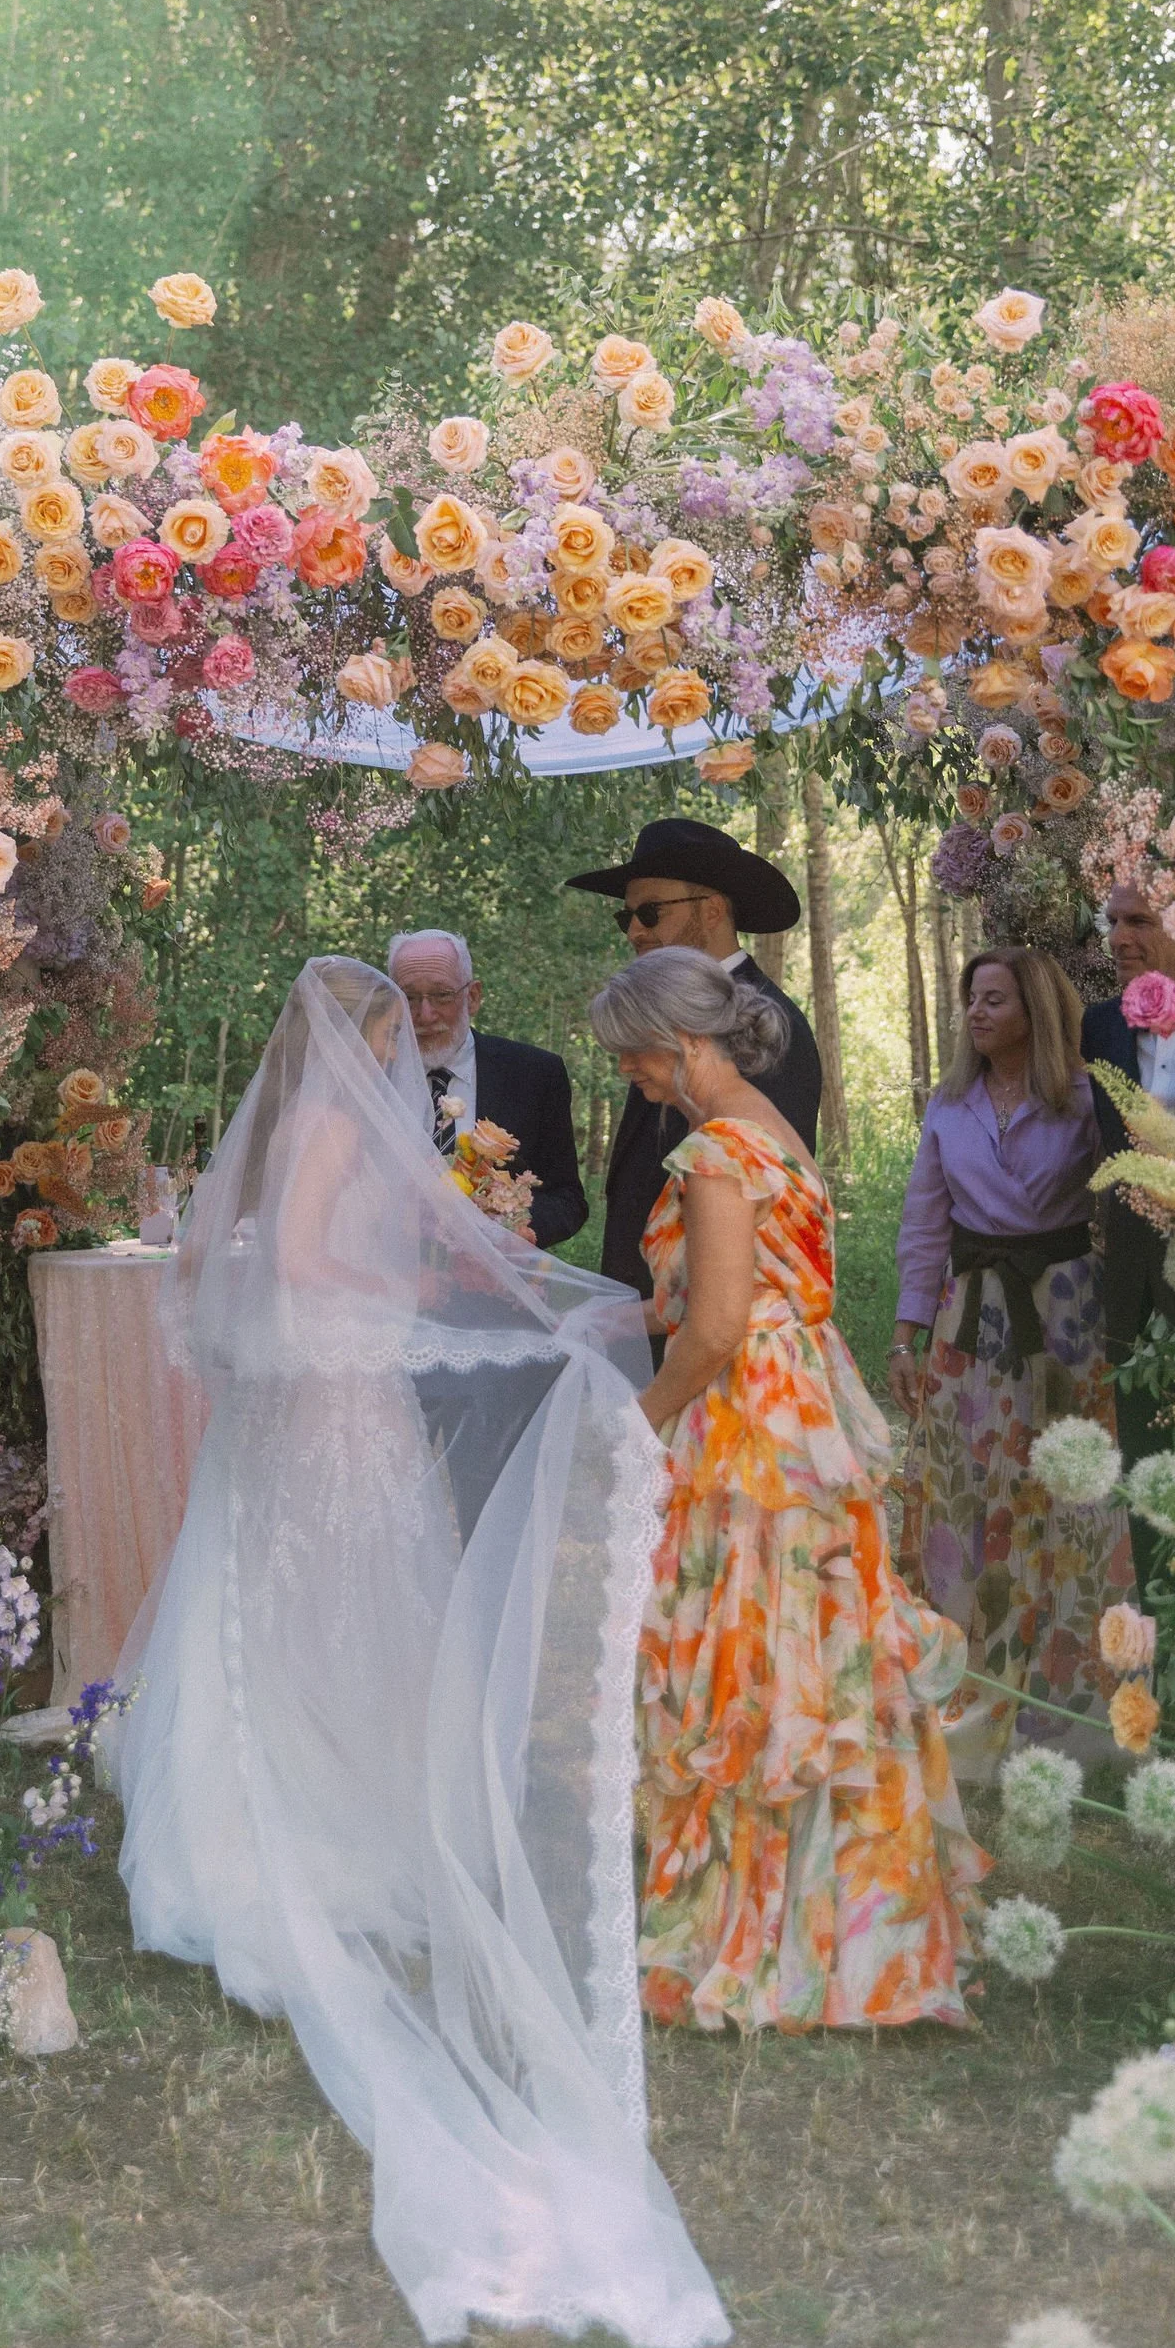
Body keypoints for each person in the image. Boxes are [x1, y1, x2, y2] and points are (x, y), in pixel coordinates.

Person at [109, 957, 727, 2348]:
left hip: (314, 1394)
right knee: (340, 1592)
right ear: (367, 1037)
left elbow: (250, 1254)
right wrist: (423, 1280)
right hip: (336, 1391)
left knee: (310, 1597)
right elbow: (316, 1259)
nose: (400, 1054)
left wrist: (468, 1249)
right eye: (392, 1030)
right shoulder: (334, 1123)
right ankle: (326, 1821)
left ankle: (323, 1796)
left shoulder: (286, 1118)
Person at [590, 946, 982, 2032]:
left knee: (749, 1656)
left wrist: (643, 1414)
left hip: (750, 1422)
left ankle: (761, 1933)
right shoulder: (774, 1126)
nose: (626, 1072)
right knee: (815, 1649)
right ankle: (841, 1928)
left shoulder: (716, 1150)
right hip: (803, 1404)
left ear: (678, 1042)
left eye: (630, 1053)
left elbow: (713, 1324)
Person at [891, 947, 1135, 1782]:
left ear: (1035, 1008)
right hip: (972, 1314)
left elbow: (1137, 1199)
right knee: (968, 1502)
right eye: (971, 999)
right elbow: (925, 1223)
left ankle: (1072, 1720)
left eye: (995, 998)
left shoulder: (1081, 1102)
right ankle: (962, 1712)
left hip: (1067, 1315)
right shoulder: (949, 1103)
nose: (978, 1012)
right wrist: (905, 1330)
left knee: (1070, 1504)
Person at [567, 815, 821, 1302]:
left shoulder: (766, 1023)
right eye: (627, 917)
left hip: (716, 1323)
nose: (634, 932)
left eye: (651, 912)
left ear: (711, 911)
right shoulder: (674, 1011)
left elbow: (766, 1199)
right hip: (654, 1308)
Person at [1080, 882, 1175, 1561]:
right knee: (1144, 1447)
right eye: (1113, 921)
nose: (1120, 936)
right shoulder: (1098, 1026)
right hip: (1129, 1270)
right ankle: (1159, 1609)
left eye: (1140, 920)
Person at [385, 927, 588, 1248]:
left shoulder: (535, 1074)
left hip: (498, 1283)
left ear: (473, 996)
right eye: (408, 997)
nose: (425, 1014)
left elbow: (566, 1197)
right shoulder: (368, 1075)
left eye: (441, 995)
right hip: (386, 1280)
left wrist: (521, 1230)